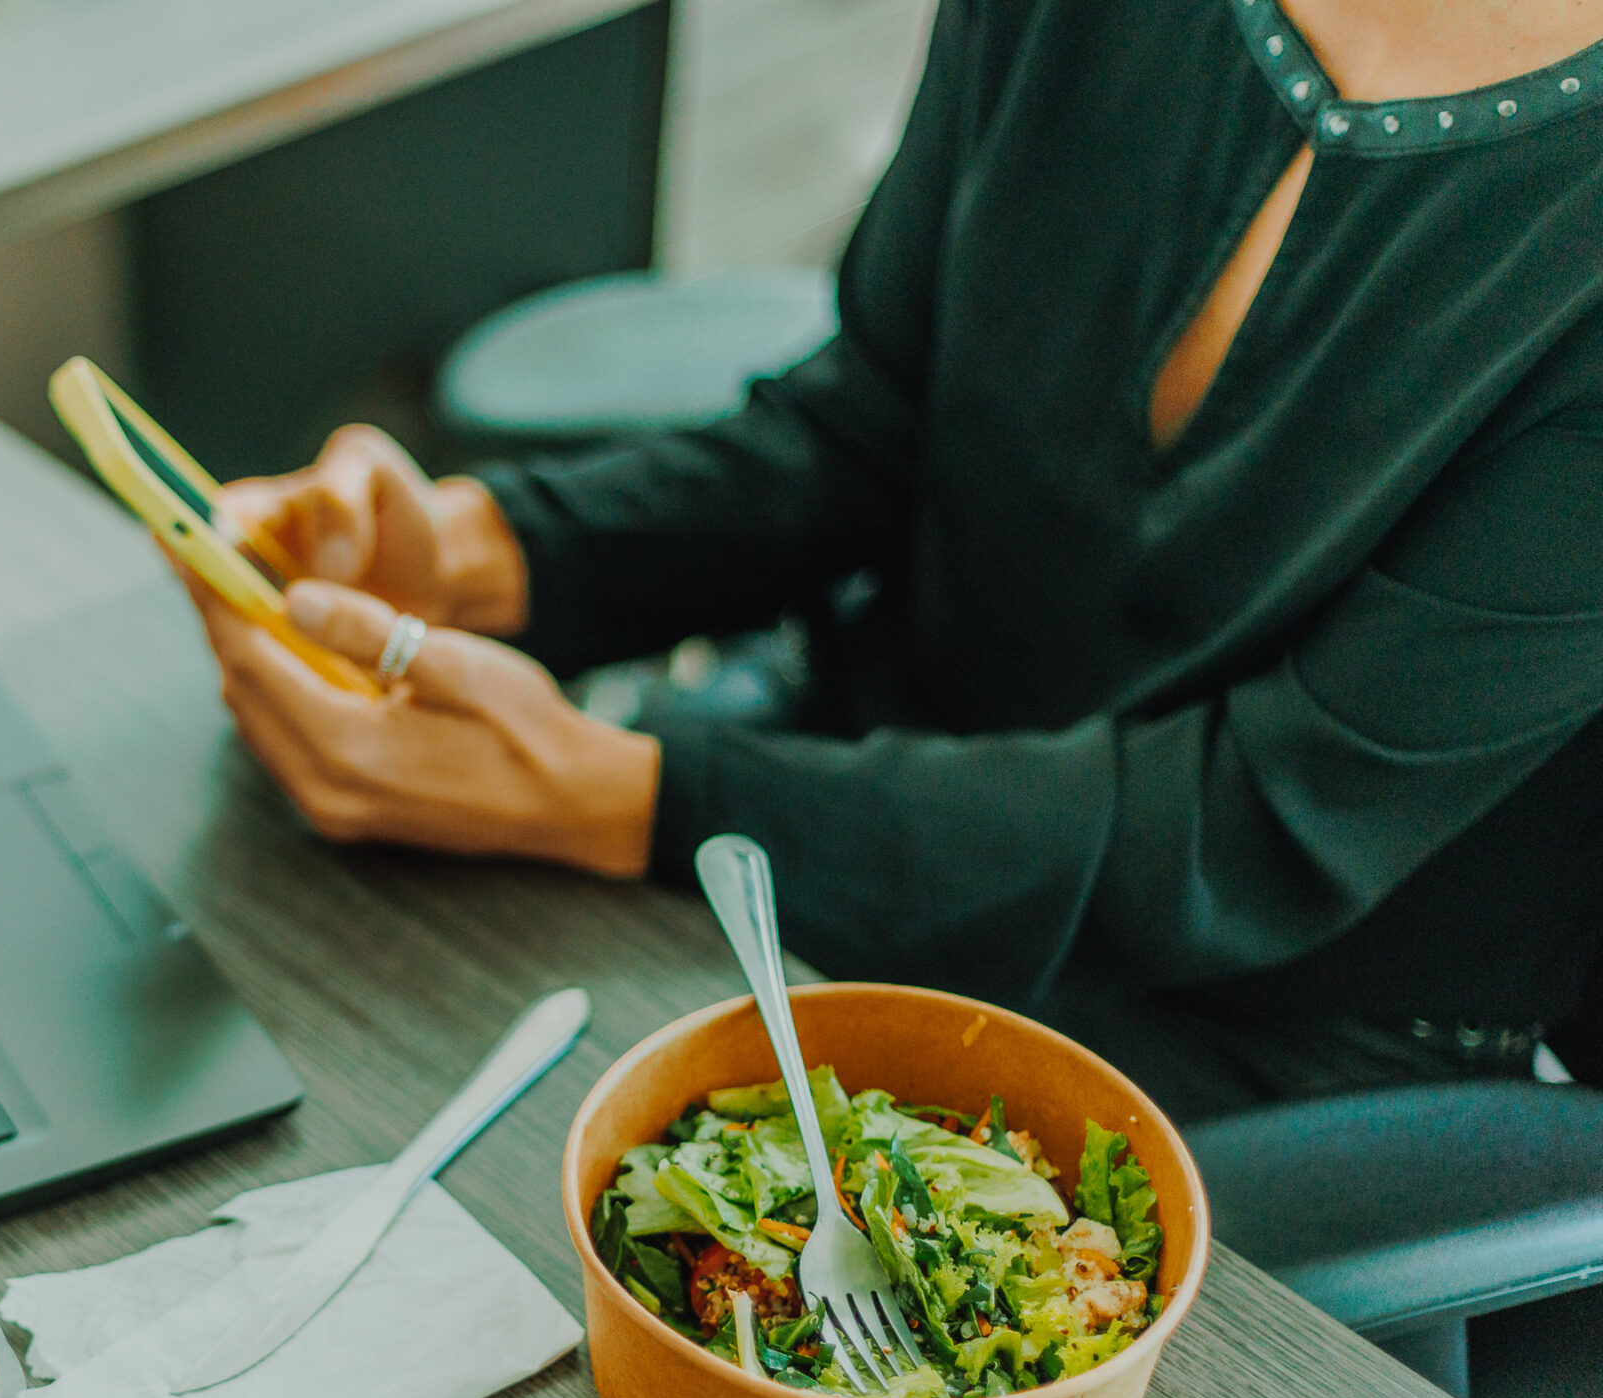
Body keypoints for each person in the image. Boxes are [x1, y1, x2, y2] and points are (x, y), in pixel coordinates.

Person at [175, 0, 1603, 1120]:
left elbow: (1252, 830)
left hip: (1246, 1019)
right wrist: (486, 556)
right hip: (851, 796)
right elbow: (873, 428)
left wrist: (631, 800)